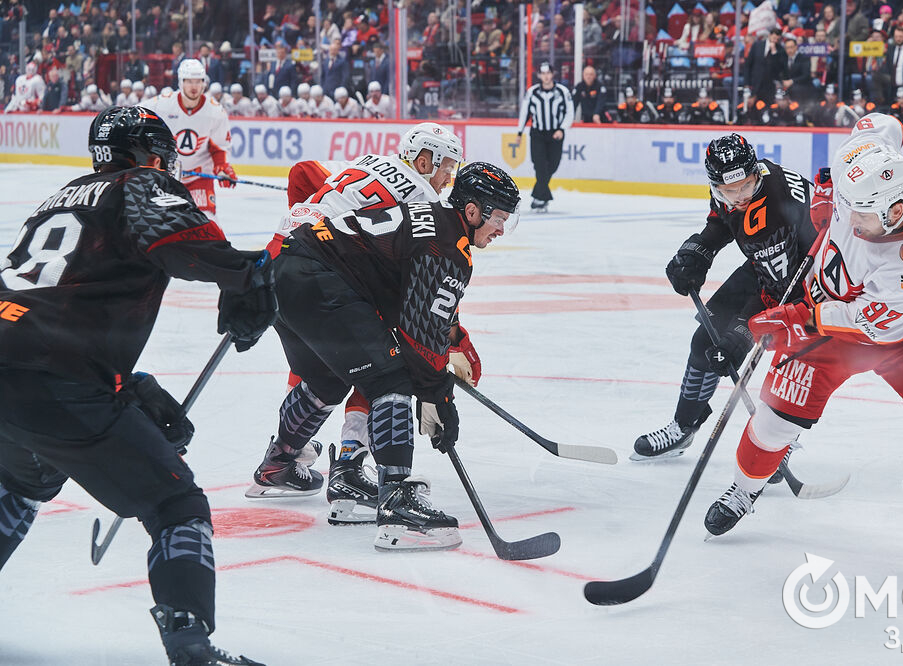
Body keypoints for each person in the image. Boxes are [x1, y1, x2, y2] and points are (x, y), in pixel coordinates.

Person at [0, 106, 273, 665]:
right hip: (52, 377)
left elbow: (48, 297)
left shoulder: (62, 195)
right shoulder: (141, 183)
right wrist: (248, 275)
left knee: (23, 481)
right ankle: (191, 648)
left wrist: (126, 383)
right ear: (150, 153)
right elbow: (179, 240)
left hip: (18, 355)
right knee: (176, 504)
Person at [702, 113, 903, 579]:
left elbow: (862, 324)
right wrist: (832, 187)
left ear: (896, 209)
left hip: (893, 330)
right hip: (826, 307)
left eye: (861, 214)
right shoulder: (864, 166)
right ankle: (743, 490)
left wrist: (794, 320)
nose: (849, 220)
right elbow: (882, 124)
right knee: (771, 427)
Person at [255, 162, 518, 550]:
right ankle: (398, 503)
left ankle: (280, 461)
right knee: (391, 378)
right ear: (473, 211)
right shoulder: (449, 244)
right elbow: (419, 334)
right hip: (317, 278)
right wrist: (438, 396)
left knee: (328, 380)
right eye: (497, 218)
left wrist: (441, 368)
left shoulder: (434, 221)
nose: (500, 229)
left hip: (282, 272)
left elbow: (417, 309)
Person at [633, 134, 816, 461]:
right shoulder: (732, 187)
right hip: (769, 265)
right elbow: (722, 220)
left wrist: (741, 336)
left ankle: (776, 445)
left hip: (810, 287)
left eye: (745, 187)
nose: (739, 196)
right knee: (705, 342)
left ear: (756, 172)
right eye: (730, 191)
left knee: (790, 368)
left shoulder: (778, 210)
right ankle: (683, 426)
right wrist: (700, 251)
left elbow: (776, 296)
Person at [147, 59, 237, 222]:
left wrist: (223, 168)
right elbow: (136, 117)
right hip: (168, 177)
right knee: (162, 225)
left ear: (204, 83)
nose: (194, 86)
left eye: (198, 81)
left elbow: (219, 148)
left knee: (207, 223)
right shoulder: (162, 104)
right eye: (189, 81)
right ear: (181, 82)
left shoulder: (215, 111)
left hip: (200, 178)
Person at [516, 62, 573, 212]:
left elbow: (570, 112)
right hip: (538, 133)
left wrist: (562, 129)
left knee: (553, 165)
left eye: (548, 73)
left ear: (553, 74)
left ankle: (538, 195)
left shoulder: (562, 91)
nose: (546, 76)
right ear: (539, 75)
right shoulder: (532, 92)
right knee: (540, 165)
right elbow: (524, 113)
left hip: (556, 133)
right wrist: (519, 132)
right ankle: (541, 198)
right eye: (543, 73)